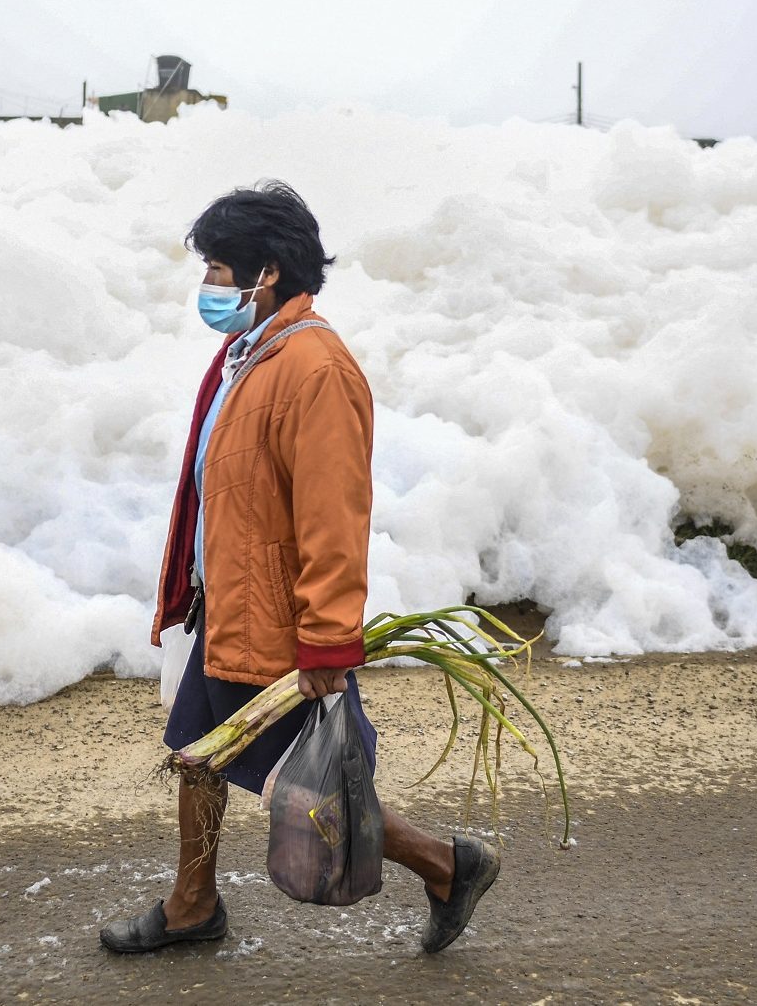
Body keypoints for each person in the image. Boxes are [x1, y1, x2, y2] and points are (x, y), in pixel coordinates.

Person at [99, 181, 500, 955]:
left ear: (269, 272)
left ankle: (450, 866)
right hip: (228, 600)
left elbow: (334, 517)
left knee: (315, 790)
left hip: (279, 618)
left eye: (219, 269)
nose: (208, 288)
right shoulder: (248, 355)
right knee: (198, 754)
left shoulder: (317, 369)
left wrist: (324, 642)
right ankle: (192, 903)